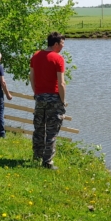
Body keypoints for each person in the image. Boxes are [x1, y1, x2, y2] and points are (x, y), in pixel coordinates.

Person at [29, 32, 67, 170]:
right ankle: (47, 161)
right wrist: (62, 101)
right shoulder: (58, 58)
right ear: (56, 44)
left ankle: (37, 156)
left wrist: (36, 93)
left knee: (39, 128)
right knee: (51, 131)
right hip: (54, 99)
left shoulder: (35, 56)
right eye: (62, 44)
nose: (63, 47)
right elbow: (61, 83)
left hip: (39, 97)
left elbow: (31, 77)